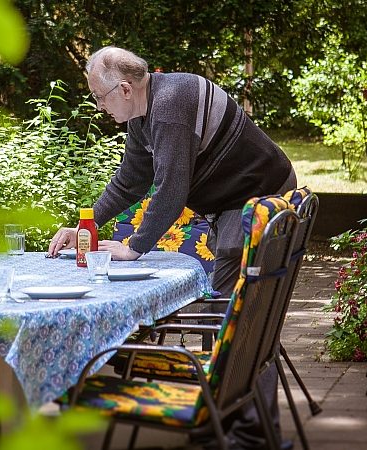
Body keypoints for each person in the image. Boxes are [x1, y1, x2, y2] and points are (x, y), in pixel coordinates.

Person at [47, 46, 296, 449]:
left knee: (243, 319)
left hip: (258, 203)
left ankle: (250, 433)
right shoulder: (146, 115)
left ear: (125, 89)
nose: (98, 106)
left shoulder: (170, 107)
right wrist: (84, 224)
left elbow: (171, 189)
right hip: (239, 205)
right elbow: (130, 181)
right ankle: (222, 417)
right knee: (235, 315)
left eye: (99, 96)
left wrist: (134, 247)